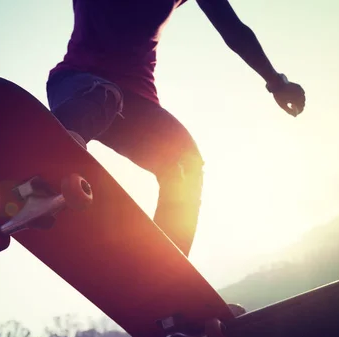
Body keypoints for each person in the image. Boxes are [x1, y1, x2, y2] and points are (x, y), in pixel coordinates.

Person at [46, 0, 305, 257]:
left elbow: (232, 28)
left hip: (136, 104)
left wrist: (277, 82)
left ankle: (162, 274)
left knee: (185, 163)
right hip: (77, 84)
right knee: (105, 94)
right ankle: (44, 164)